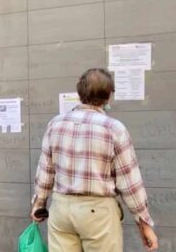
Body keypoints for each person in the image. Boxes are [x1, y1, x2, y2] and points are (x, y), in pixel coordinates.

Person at [31, 68, 158, 252]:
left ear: (79, 93)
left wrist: (38, 204)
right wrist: (144, 223)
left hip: (61, 209)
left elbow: (45, 171)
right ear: (108, 95)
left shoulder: (55, 124)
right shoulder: (114, 129)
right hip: (98, 213)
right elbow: (130, 183)